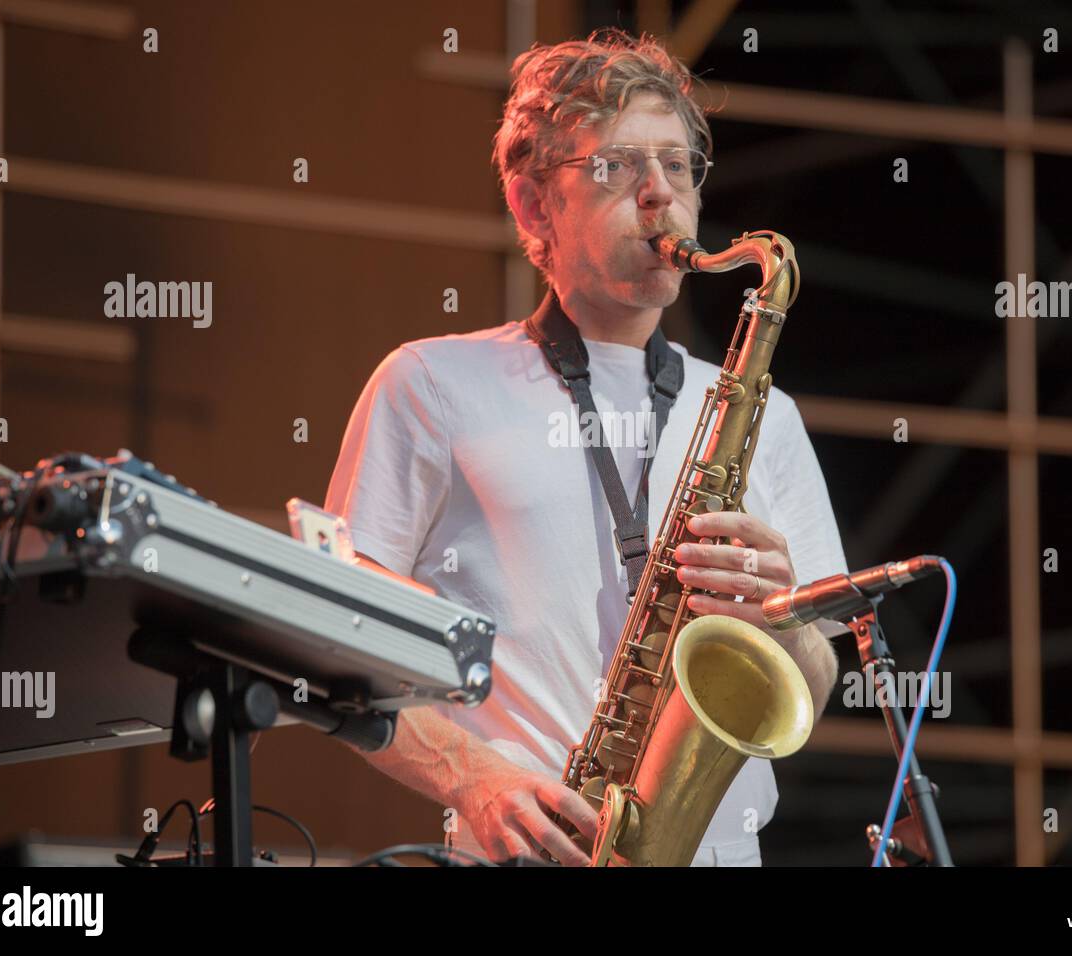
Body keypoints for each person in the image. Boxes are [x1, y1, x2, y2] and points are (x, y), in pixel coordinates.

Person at [325, 29, 847, 867]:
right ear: (535, 206)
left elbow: (813, 682)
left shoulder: (767, 414)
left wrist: (779, 621)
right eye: (616, 167)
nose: (659, 196)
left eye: (678, 167)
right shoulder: (431, 383)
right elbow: (330, 643)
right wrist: (476, 780)